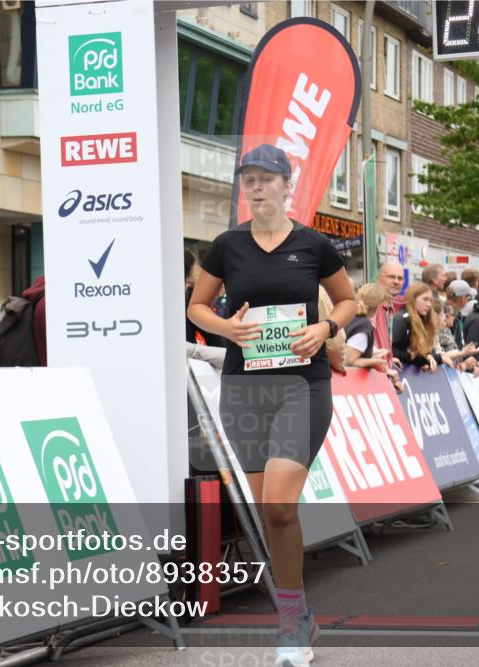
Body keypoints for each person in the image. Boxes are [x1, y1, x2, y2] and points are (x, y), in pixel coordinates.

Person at [187, 144, 356, 666]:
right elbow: (196, 305)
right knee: (269, 514)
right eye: (249, 179)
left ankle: (288, 627)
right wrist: (225, 327)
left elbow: (349, 301)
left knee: (281, 503)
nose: (256, 187)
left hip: (301, 385)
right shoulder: (226, 246)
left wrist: (326, 327)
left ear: (288, 185)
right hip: (245, 387)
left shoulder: (313, 245)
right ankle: (300, 615)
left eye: (266, 179)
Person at [391, 282, 441, 372]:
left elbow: (424, 351)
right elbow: (390, 350)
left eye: (430, 300)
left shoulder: (425, 320)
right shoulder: (401, 320)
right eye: (425, 300)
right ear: (413, 299)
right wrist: (410, 356)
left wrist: (427, 358)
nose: (429, 305)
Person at [371, 260, 406, 359]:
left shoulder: (391, 306)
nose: (396, 281)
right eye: (391, 277)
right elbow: (363, 341)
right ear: (379, 279)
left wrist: (390, 360)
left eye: (400, 278)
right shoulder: (372, 302)